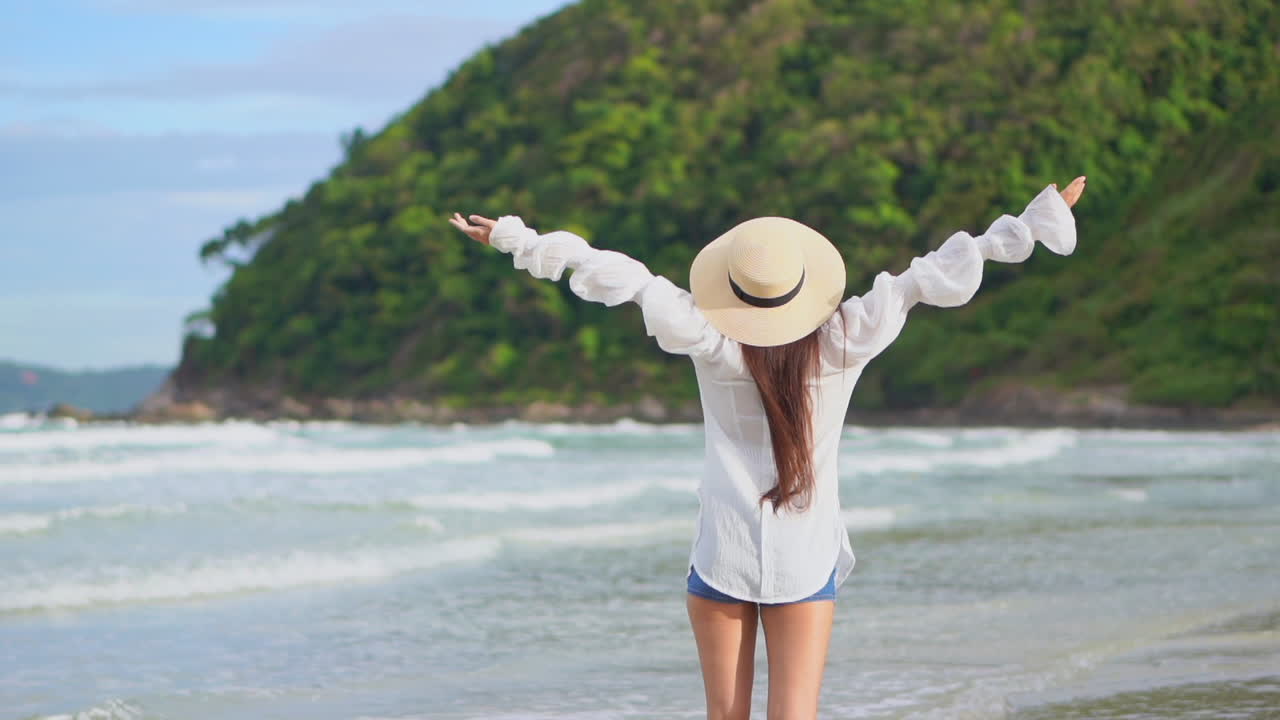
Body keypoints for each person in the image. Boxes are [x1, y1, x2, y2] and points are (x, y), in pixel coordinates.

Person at [449, 175, 1086, 720]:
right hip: (805, 557)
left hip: (720, 551)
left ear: (731, 288)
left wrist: (516, 240)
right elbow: (928, 274)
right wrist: (1035, 222)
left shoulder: (711, 342)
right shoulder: (844, 341)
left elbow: (622, 275)